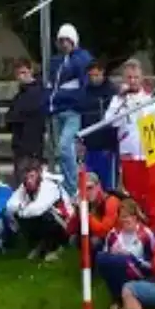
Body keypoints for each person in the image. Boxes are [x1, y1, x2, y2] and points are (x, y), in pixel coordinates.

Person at [108, 60, 155, 228]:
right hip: (130, 149)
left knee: (154, 192)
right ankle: (136, 228)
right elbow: (110, 122)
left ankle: (154, 229)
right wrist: (121, 100)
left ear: (142, 77)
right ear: (123, 79)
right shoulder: (118, 99)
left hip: (151, 144)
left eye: (136, 77)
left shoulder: (152, 94)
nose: (132, 81)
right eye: (129, 78)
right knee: (133, 193)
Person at [46, 24, 94, 195]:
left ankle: (73, 187)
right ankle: (68, 184)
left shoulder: (81, 58)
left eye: (68, 40)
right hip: (57, 111)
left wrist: (66, 95)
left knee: (66, 146)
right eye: (61, 40)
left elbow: (82, 85)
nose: (64, 44)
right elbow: (53, 86)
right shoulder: (56, 61)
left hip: (73, 111)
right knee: (60, 150)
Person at [94, 198, 155, 309]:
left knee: (124, 260)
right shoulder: (113, 234)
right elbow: (105, 255)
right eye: (122, 217)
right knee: (101, 258)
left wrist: (131, 257)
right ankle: (117, 298)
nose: (124, 221)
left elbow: (153, 263)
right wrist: (112, 252)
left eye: (127, 218)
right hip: (118, 267)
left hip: (140, 271)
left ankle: (127, 301)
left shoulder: (146, 234)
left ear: (135, 218)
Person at [5, 161, 72, 260]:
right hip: (39, 216)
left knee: (46, 216)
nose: (29, 181)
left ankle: (56, 247)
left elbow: (39, 209)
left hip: (65, 225)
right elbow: (10, 205)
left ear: (39, 174)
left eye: (32, 176)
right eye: (26, 177)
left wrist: (22, 208)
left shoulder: (50, 185)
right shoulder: (24, 186)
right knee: (19, 215)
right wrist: (21, 208)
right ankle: (38, 245)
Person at [79, 61, 120, 192]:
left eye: (96, 75)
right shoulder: (84, 93)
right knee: (90, 183)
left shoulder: (112, 91)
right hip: (90, 146)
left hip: (108, 147)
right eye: (91, 75)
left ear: (103, 73)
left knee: (108, 185)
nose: (93, 78)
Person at [4, 60, 48, 172]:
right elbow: (10, 117)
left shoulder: (38, 91)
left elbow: (21, 113)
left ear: (31, 71)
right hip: (20, 145)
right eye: (18, 74)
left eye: (24, 72)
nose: (21, 76)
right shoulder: (19, 95)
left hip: (32, 145)